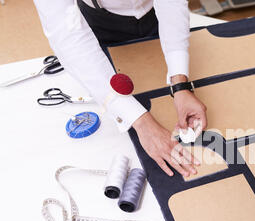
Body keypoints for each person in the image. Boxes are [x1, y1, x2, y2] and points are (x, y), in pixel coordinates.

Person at [34, 0, 207, 178]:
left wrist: (180, 83)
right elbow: (67, 36)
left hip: (158, 15)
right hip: (100, 25)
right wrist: (140, 121)